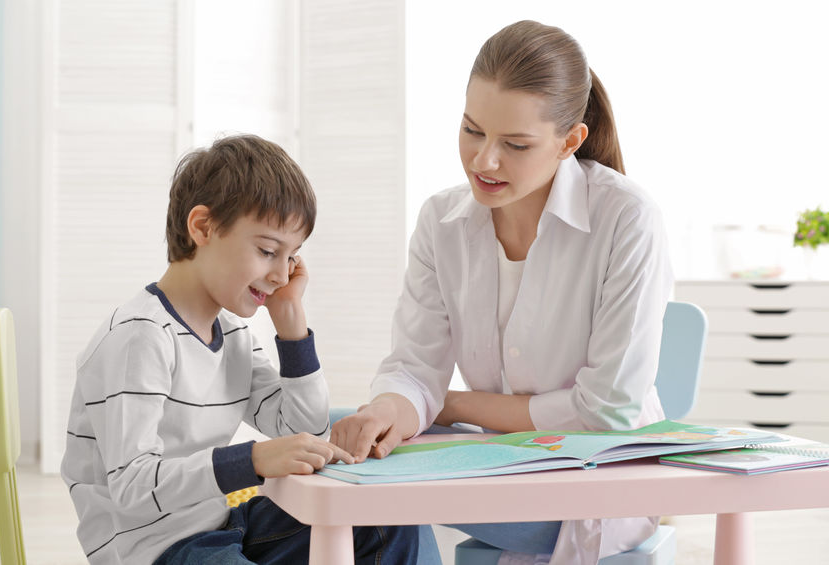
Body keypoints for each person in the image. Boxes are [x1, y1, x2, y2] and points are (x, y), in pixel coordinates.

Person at [331, 20, 674, 565]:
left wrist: (448, 404)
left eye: (515, 144)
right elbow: (415, 366)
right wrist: (394, 406)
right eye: (472, 130)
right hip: (499, 462)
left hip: (597, 482)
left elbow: (607, 413)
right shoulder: (441, 222)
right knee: (346, 428)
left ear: (570, 141)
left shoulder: (626, 219)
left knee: (355, 490)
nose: (483, 161)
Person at [60, 134, 419, 565]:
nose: (282, 276)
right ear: (203, 227)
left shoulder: (231, 335)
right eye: (268, 251)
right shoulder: (140, 337)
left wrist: (291, 324)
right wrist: (251, 459)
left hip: (218, 528)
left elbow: (301, 427)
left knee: (383, 519)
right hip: (153, 550)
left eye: (292, 257)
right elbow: (133, 488)